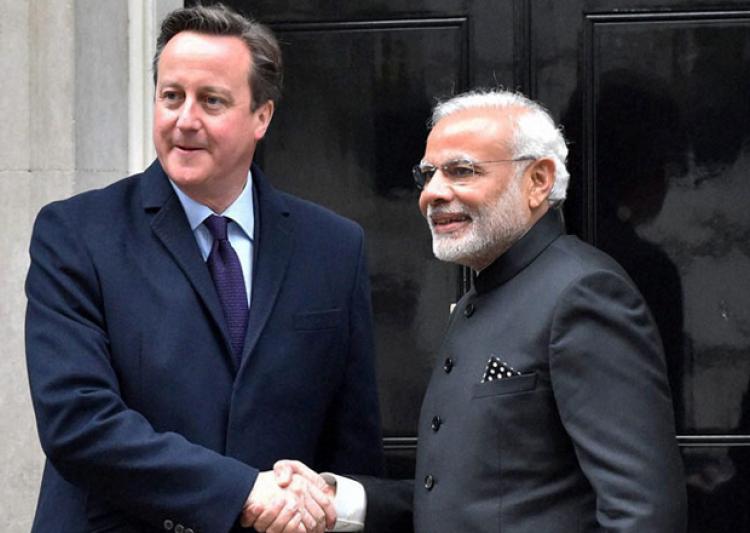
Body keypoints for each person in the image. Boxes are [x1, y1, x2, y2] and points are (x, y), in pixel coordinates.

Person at [24, 5, 383, 533]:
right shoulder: (76, 234)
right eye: (172, 96)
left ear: (262, 116)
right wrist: (242, 491)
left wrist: (325, 503)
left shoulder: (333, 247)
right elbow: (77, 422)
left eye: (211, 100)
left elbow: (352, 445)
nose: (185, 119)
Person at [267, 89, 687, 532]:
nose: (432, 193)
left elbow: (644, 513)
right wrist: (341, 500)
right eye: (427, 175)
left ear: (539, 180)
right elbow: (478, 500)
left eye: (461, 171)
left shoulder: (583, 292)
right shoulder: (480, 296)